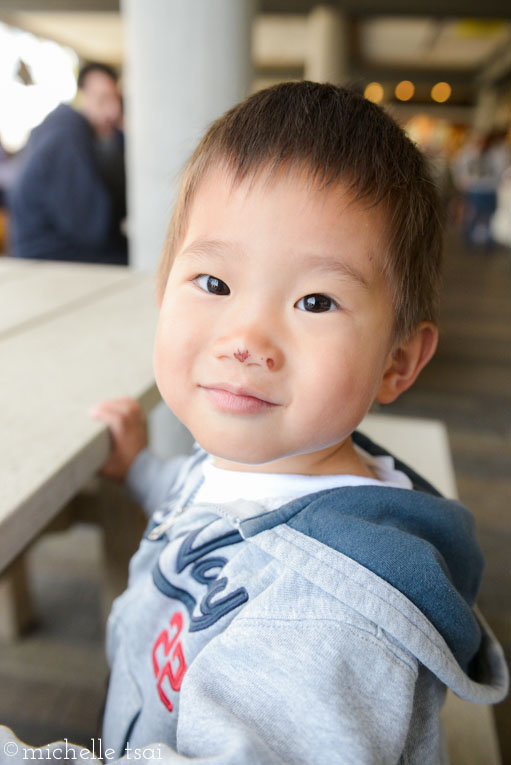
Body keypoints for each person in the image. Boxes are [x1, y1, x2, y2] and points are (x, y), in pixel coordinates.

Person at [1, 82, 507, 763]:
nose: (246, 336)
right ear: (162, 288)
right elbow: (216, 502)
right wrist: (143, 471)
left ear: (397, 360)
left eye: (315, 299)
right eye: (213, 283)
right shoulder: (274, 457)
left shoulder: (323, 625)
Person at [7, 62, 127, 265]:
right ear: (82, 96)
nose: (113, 111)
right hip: (47, 258)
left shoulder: (62, 127)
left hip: (47, 249)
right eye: (103, 99)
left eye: (116, 100)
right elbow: (91, 227)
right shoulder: (68, 137)